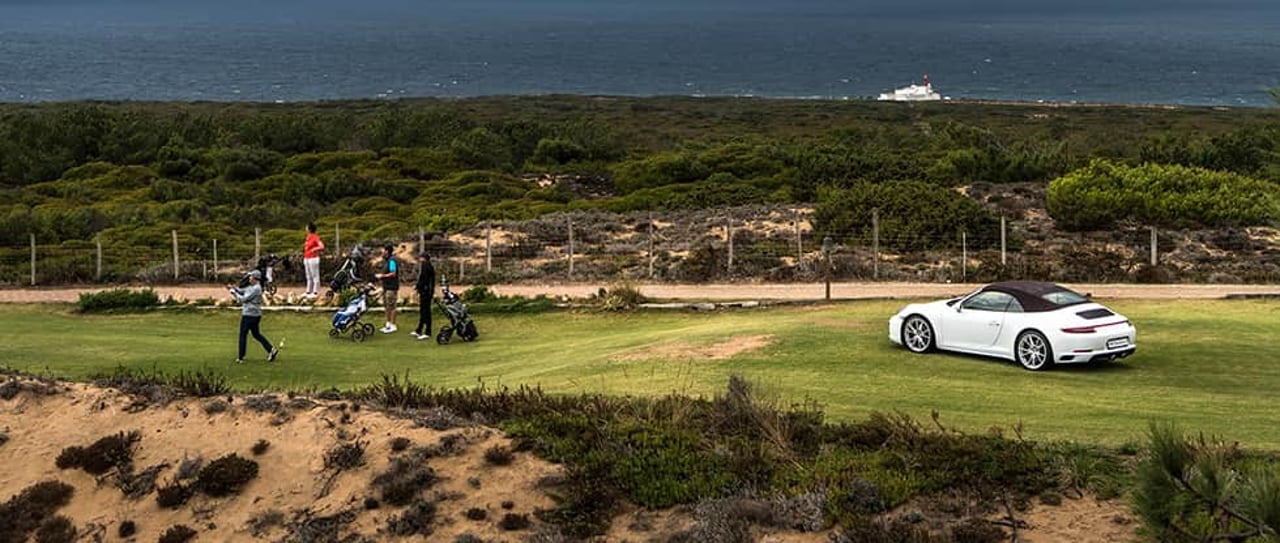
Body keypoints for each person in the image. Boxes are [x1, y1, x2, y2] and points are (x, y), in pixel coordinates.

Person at [227, 270, 278, 364]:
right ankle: (271, 349)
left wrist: (234, 293)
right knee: (256, 334)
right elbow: (242, 291)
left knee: (243, 334)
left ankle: (240, 357)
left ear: (255, 278)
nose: (249, 278)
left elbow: (243, 299)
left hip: (249, 315)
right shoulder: (251, 287)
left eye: (251, 277)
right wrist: (234, 288)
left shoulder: (257, 289)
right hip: (254, 314)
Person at [411, 251, 436, 341]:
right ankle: (419, 329)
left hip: (426, 292)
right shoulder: (427, 265)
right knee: (423, 311)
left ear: (423, 258)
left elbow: (423, 278)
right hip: (426, 291)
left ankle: (428, 331)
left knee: (426, 311)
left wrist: (418, 286)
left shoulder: (426, 265)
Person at [375, 243, 400, 333]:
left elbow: (393, 273)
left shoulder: (392, 261)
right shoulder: (387, 260)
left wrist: (382, 276)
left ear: (387, 251)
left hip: (391, 287)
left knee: (392, 306)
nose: (383, 252)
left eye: (384, 250)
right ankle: (388, 323)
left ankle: (393, 325)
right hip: (386, 287)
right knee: (386, 306)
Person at [303, 222, 325, 300]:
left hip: (313, 258)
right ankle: (308, 291)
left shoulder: (315, 237)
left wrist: (314, 249)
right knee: (308, 276)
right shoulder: (308, 237)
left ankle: (315, 292)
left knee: (315, 275)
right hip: (307, 258)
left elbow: (321, 246)